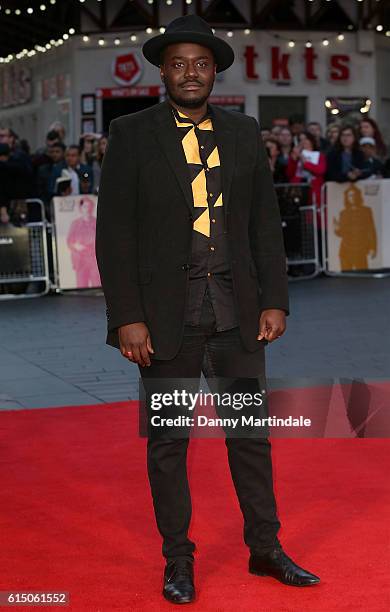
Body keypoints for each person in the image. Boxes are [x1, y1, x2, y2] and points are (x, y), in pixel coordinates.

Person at [95, 14, 320, 605]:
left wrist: (275, 299)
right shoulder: (133, 135)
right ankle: (178, 560)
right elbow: (114, 233)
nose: (189, 73)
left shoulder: (244, 133)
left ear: (214, 71)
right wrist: (127, 317)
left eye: (200, 63)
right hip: (167, 318)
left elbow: (263, 225)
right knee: (169, 441)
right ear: (163, 72)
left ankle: (265, 548)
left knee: (250, 435)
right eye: (178, 64)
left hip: (236, 312)